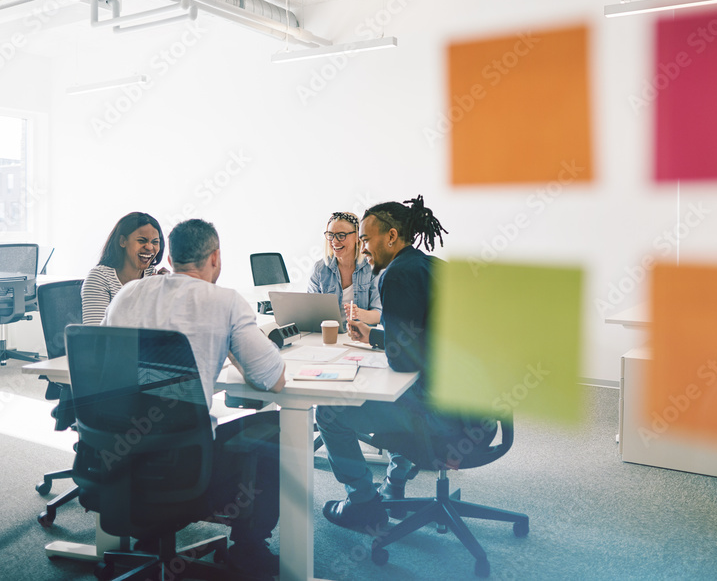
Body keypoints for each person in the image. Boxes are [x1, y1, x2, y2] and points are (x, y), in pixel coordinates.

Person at [101, 219, 286, 578]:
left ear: (170, 257)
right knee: (277, 427)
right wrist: (234, 347)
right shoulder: (225, 301)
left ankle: (148, 534)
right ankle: (248, 548)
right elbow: (273, 379)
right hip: (184, 470)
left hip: (118, 458)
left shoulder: (126, 294)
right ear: (215, 257)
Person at [316, 196, 457, 531]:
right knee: (393, 397)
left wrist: (373, 358)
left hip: (433, 411)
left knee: (329, 412)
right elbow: (422, 341)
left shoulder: (395, 275)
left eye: (365, 239)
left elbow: (404, 362)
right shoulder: (429, 265)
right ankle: (394, 483)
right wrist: (376, 338)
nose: (364, 248)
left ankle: (362, 501)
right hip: (463, 404)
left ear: (391, 236)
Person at [81, 212, 167, 324]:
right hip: (114, 341)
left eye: (155, 242)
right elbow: (96, 334)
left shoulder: (152, 276)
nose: (150, 247)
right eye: (141, 240)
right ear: (122, 241)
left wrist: (169, 291)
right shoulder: (99, 278)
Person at [307, 211, 382, 325]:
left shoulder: (372, 269)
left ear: (358, 237)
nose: (334, 241)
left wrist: (360, 314)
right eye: (331, 235)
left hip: (360, 339)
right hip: (329, 335)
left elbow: (379, 314)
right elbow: (309, 310)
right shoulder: (319, 269)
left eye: (341, 236)